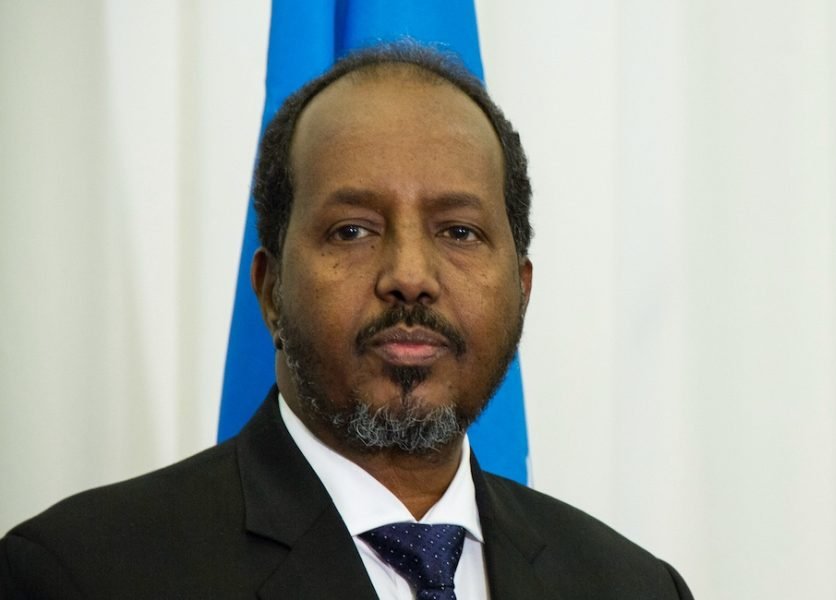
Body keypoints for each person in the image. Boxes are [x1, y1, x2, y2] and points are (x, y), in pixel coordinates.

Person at [0, 42, 694, 599]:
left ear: (521, 290)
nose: (410, 276)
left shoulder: (632, 587)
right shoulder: (82, 575)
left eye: (458, 231)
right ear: (271, 292)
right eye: (353, 230)